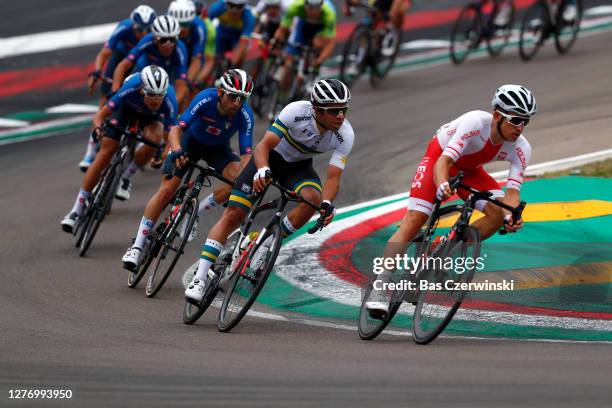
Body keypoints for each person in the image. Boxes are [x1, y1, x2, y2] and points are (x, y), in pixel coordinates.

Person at [365, 84, 537, 313]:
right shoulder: (475, 123)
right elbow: (444, 162)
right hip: (439, 160)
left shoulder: (522, 148)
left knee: (497, 214)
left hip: (470, 170)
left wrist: (511, 215)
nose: (521, 127)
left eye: (526, 121)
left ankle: (437, 254)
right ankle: (379, 288)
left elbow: (512, 194)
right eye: (515, 119)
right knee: (415, 220)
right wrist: (443, 184)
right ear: (497, 115)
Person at [184, 78, 354, 303]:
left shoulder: (346, 134)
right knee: (234, 214)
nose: (340, 116)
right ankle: (201, 277)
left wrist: (327, 203)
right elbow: (264, 145)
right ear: (317, 110)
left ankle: (267, 244)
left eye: (343, 110)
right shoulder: (296, 112)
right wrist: (262, 170)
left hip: (299, 168)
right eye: (334, 111)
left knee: (313, 199)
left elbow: (334, 177)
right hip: (269, 159)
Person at [121, 69, 255, 270]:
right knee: (167, 190)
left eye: (242, 98)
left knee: (239, 178)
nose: (237, 102)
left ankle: (197, 211)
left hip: (218, 150)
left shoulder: (245, 115)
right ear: (221, 93)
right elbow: (176, 129)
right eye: (233, 96)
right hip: (189, 142)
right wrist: (176, 150)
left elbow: (246, 155)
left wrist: (246, 176)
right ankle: (137, 246)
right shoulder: (206, 99)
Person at [61, 66, 178, 233]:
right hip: (126, 110)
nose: (156, 100)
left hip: (152, 119)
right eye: (151, 94)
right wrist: (99, 129)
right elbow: (100, 115)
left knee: (154, 140)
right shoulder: (130, 87)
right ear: (142, 89)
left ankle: (126, 176)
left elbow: (170, 137)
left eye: (160, 95)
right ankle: (76, 210)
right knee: (106, 151)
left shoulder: (169, 101)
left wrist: (163, 154)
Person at [80, 5, 156, 172]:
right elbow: (104, 53)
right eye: (138, 28)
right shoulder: (124, 27)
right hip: (119, 61)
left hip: (138, 64)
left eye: (147, 29)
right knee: (107, 101)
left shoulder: (153, 37)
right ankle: (90, 151)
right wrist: (98, 70)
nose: (142, 33)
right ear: (132, 24)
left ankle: (138, 140)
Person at [112, 15, 189, 107]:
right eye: (163, 40)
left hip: (168, 72)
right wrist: (115, 91)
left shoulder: (181, 49)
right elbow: (123, 65)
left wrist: (171, 105)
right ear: (155, 38)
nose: (168, 44)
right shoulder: (147, 40)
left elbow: (181, 85)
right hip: (144, 68)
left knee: (181, 94)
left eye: (172, 40)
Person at [273, 0, 337, 95]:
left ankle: (312, 71)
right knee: (288, 62)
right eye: (310, 8)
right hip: (303, 26)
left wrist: (320, 59)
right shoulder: (296, 6)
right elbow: (282, 29)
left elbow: (330, 43)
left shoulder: (329, 13)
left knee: (318, 44)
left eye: (316, 8)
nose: (313, 12)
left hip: (321, 29)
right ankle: (281, 96)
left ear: (321, 6)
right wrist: (276, 44)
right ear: (305, 5)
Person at [167, 0, 217, 109]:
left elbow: (198, 60)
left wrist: (188, 82)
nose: (182, 29)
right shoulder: (165, 23)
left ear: (192, 20)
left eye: (185, 24)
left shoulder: (201, 27)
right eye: (179, 25)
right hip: (172, 56)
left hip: (193, 56)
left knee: (191, 87)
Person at [207, 0, 257, 68]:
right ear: (226, 3)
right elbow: (204, 24)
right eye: (231, 5)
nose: (234, 10)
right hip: (221, 33)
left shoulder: (249, 17)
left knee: (243, 52)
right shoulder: (218, 7)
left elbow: (243, 43)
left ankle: (236, 73)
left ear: (244, 6)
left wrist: (233, 64)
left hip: (237, 37)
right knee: (212, 56)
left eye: (239, 6)